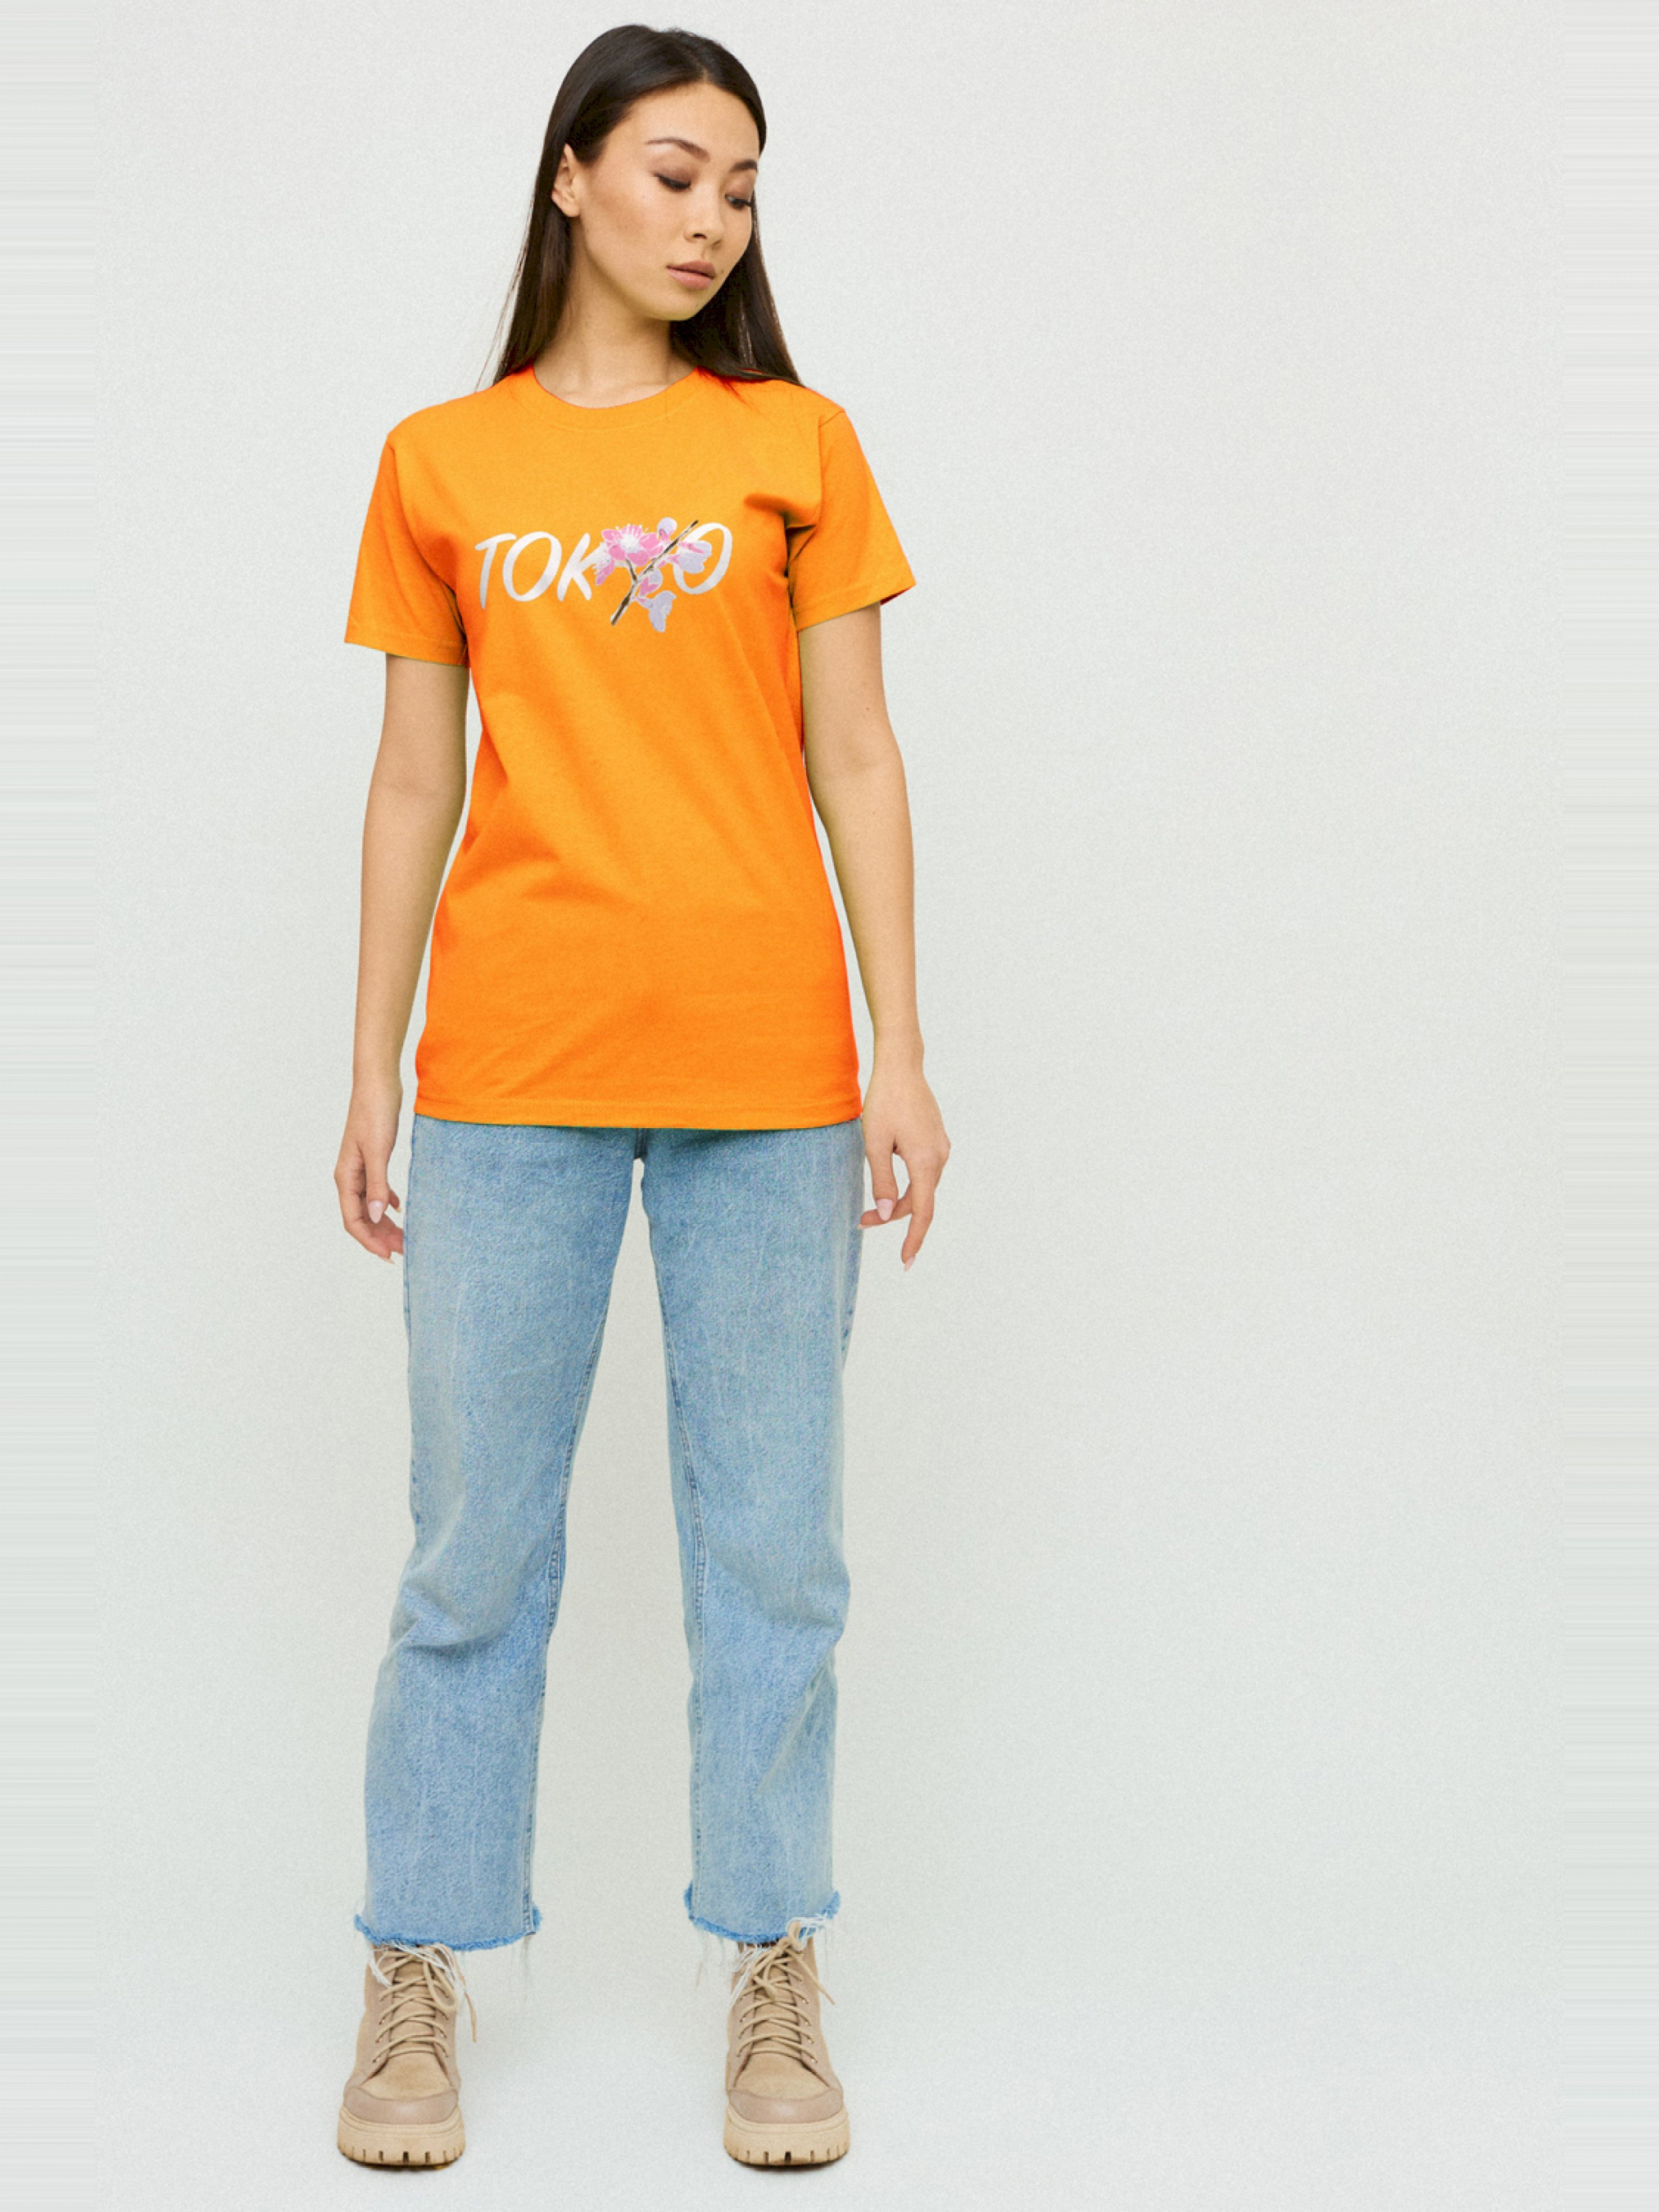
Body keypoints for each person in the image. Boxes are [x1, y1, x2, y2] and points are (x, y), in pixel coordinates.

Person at [331, 21, 949, 2173]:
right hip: (508, 1068)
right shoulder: (440, 463)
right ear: (573, 176)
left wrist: (901, 1050)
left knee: (773, 1550)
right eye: (679, 174)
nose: (713, 221)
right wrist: (367, 1063)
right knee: (472, 1551)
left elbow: (854, 753)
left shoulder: (795, 441)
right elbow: (413, 779)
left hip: (769, 1073)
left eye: (743, 189)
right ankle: (417, 1967)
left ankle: (772, 1963)